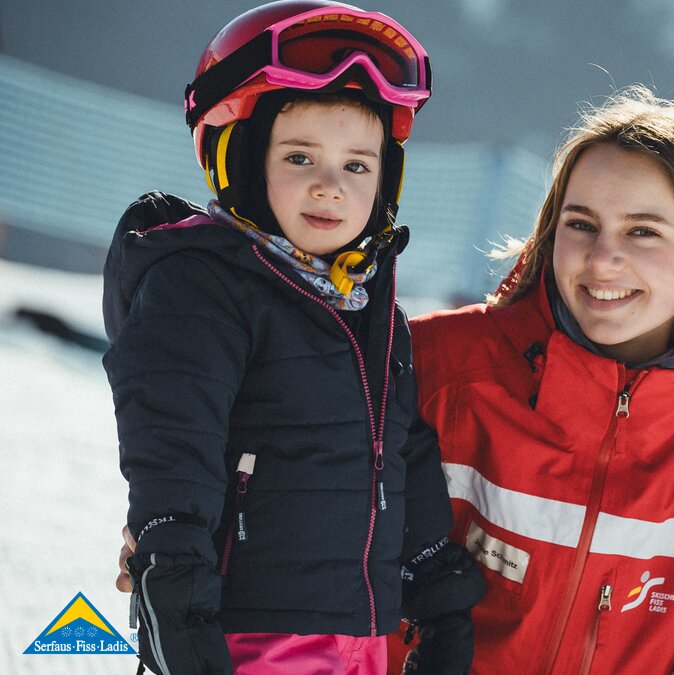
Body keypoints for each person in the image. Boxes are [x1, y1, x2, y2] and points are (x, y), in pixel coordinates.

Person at [103, 2, 482, 673]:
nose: (330, 186)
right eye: (300, 155)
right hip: (243, 635)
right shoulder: (203, 286)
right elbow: (171, 444)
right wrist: (174, 584)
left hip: (356, 636)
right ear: (241, 160)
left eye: (358, 165)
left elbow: (403, 449)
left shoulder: (368, 300)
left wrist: (437, 588)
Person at [389, 86, 674, 673]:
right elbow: (338, 576)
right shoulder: (440, 360)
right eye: (582, 224)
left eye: (642, 231)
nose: (600, 260)